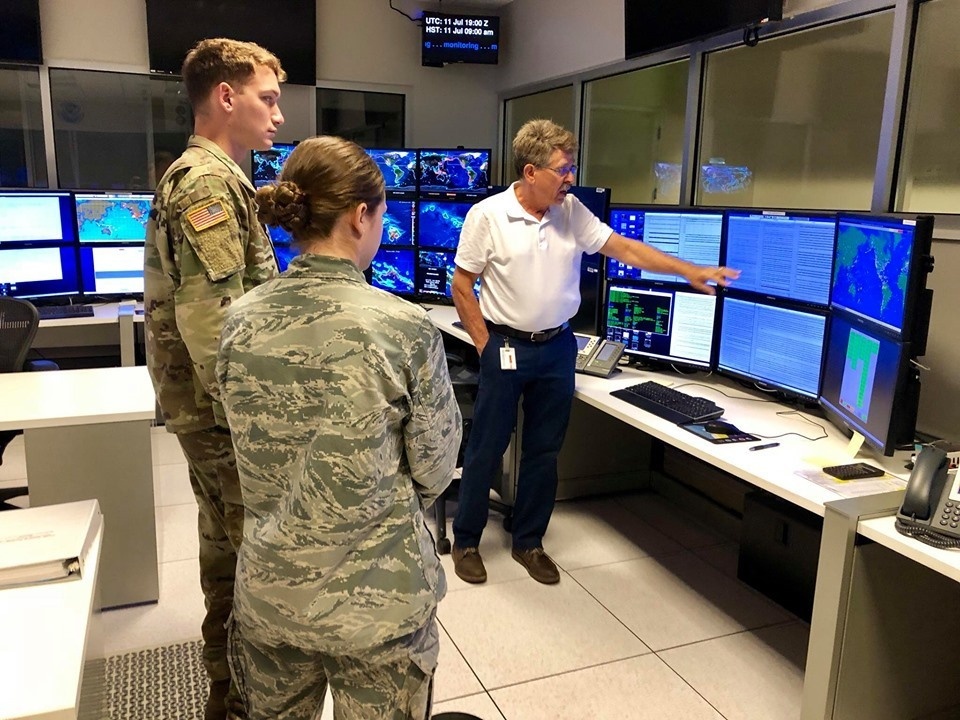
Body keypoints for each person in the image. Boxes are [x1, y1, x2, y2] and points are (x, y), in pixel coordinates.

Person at [216, 136, 462, 720]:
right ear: (360, 217)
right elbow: (435, 466)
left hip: (271, 597)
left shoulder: (239, 321)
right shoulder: (404, 327)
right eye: (382, 215)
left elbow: (246, 448)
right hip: (377, 608)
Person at [450, 118, 740, 585]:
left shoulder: (571, 211)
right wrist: (486, 347)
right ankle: (466, 540)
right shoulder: (488, 216)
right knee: (487, 446)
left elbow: (623, 247)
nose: (571, 178)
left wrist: (686, 269)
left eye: (573, 167)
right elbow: (462, 286)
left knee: (544, 451)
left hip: (557, 348)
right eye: (563, 169)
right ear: (530, 172)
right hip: (504, 345)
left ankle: (528, 541)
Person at [143, 37, 285, 720]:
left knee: (225, 555)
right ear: (225, 97)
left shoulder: (216, 177)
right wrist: (264, 425)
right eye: (268, 99)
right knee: (257, 565)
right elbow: (217, 325)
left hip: (204, 412)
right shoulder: (207, 183)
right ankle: (248, 701)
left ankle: (226, 696)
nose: (278, 116)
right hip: (225, 417)